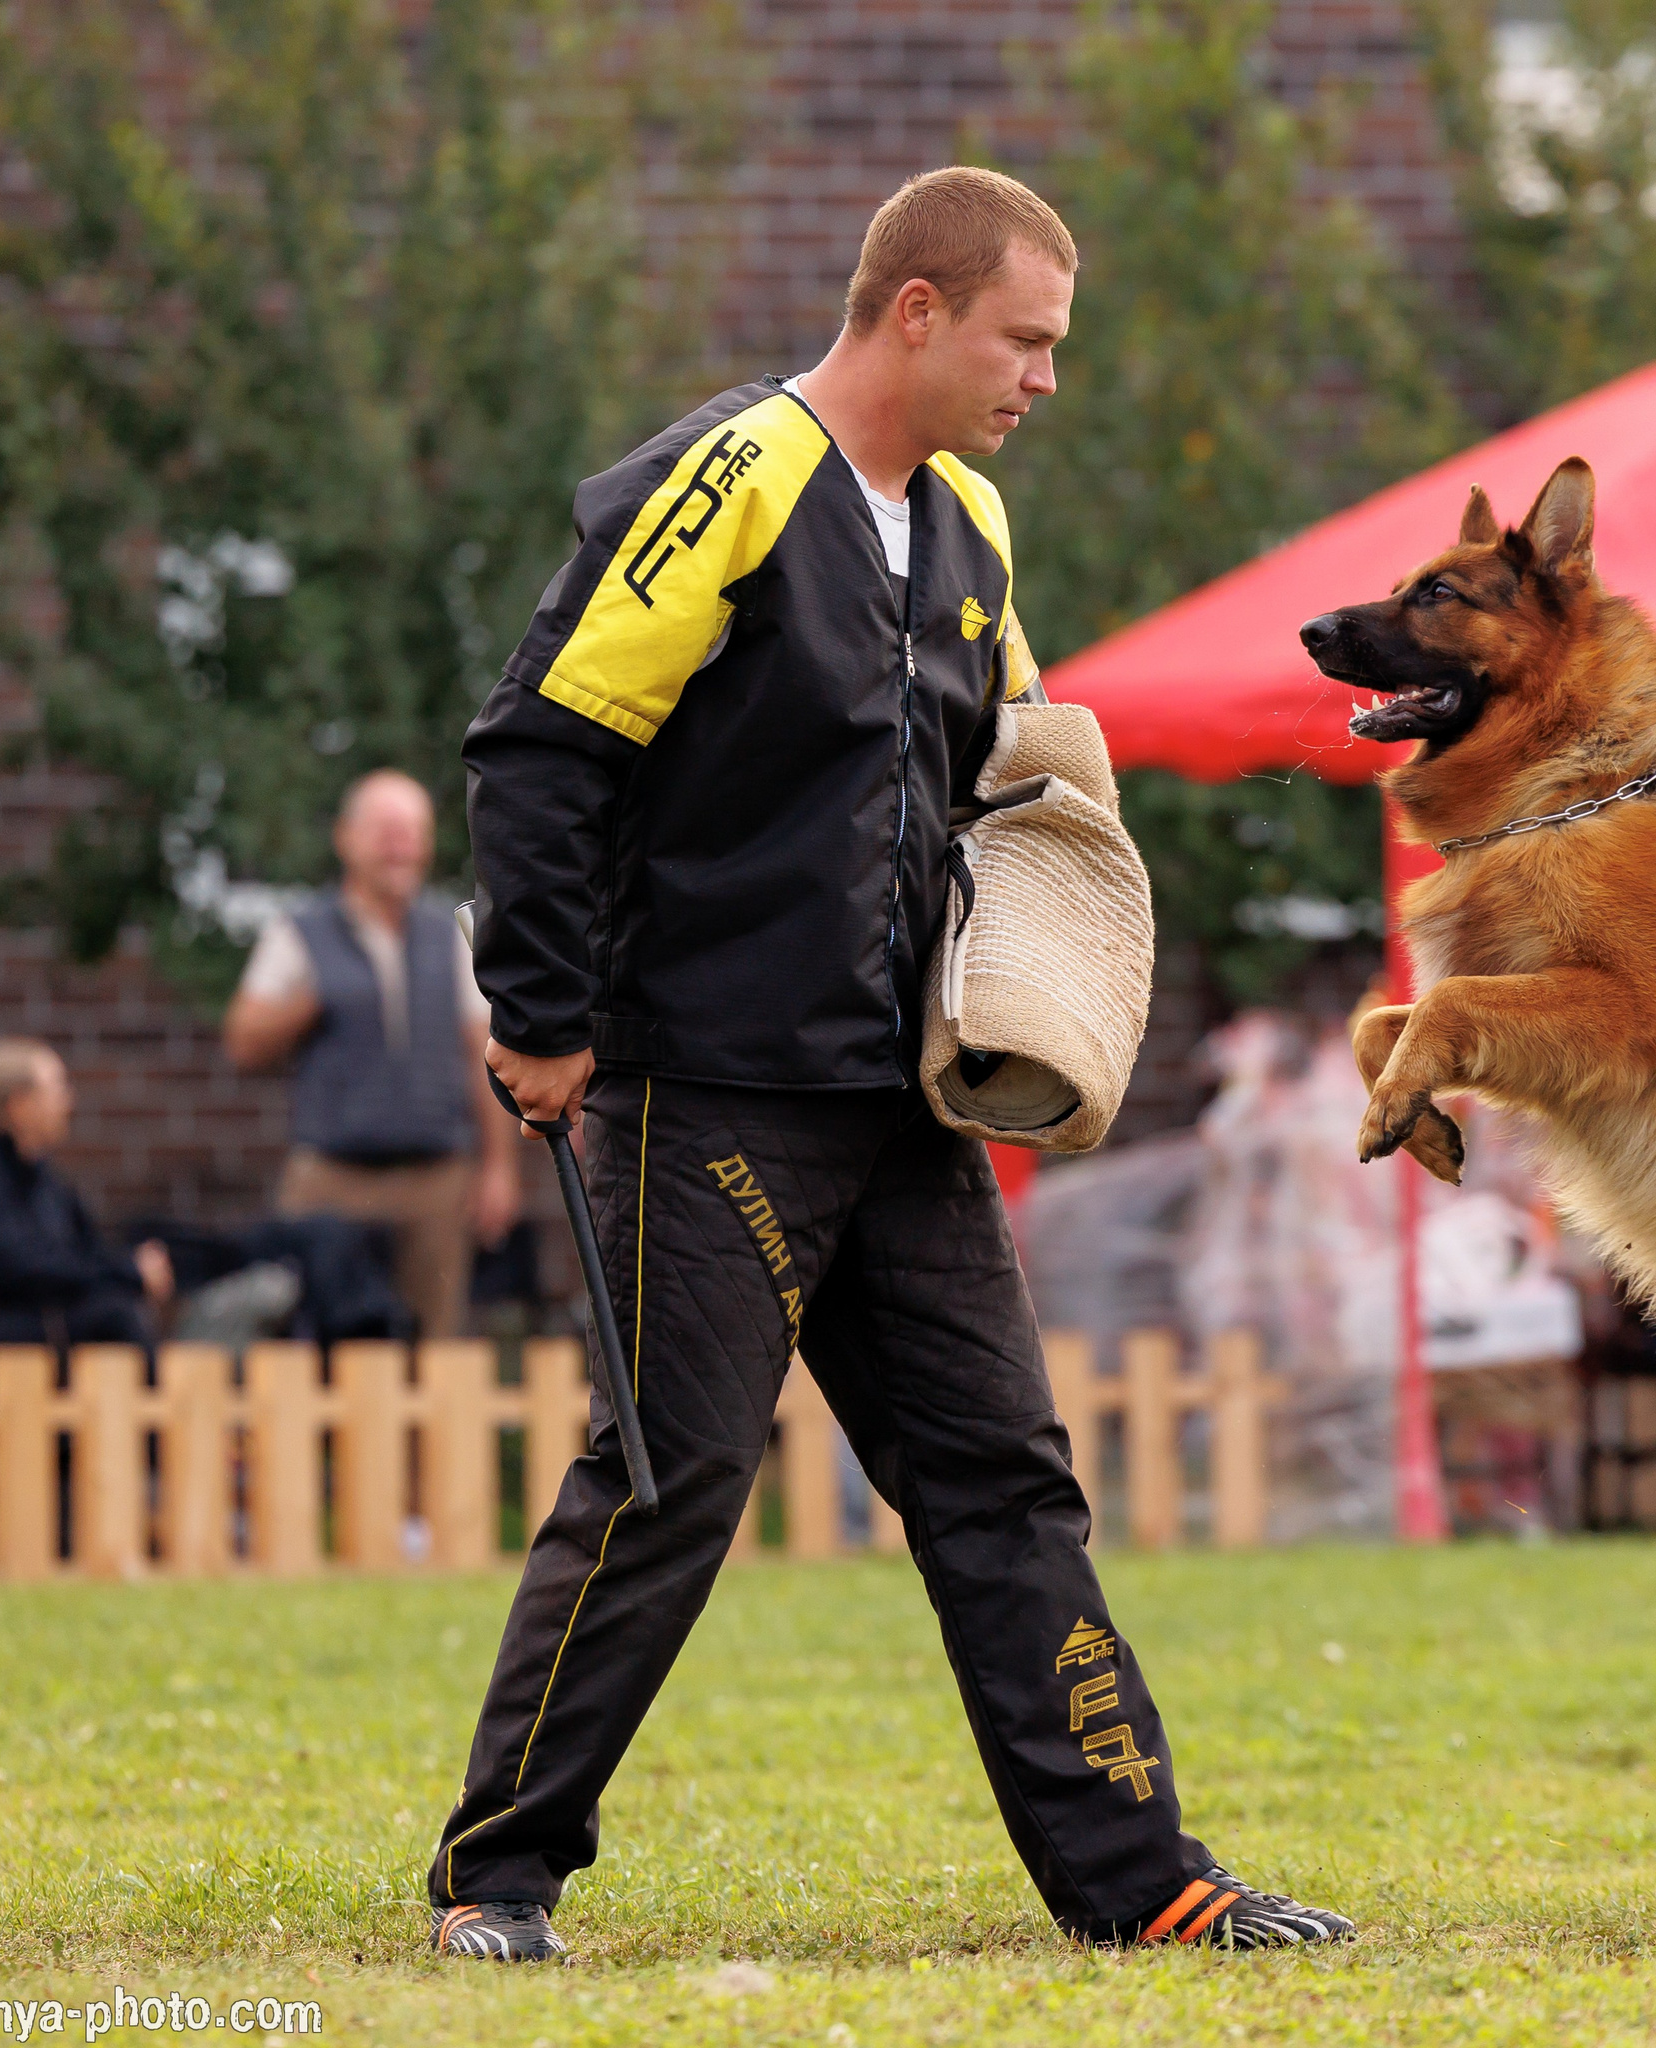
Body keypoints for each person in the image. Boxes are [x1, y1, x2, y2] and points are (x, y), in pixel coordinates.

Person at [427, 167, 1352, 1962]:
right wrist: (541, 1014)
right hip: (707, 1088)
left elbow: (1015, 769)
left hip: (908, 1106)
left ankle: (1145, 1882)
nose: (1046, 379)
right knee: (673, 1482)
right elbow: (539, 749)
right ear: (915, 311)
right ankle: (499, 1873)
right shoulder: (729, 481)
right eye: (1026, 340)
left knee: (1006, 1477)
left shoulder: (974, 525)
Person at [223, 769, 520, 1340]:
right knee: (313, 1342)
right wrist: (312, 1002)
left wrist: (499, 1168)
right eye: (385, 831)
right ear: (346, 838)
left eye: (411, 831)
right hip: (331, 1176)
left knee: (435, 1347)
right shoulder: (300, 932)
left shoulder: (453, 934)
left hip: (436, 1179)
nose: (399, 846)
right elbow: (243, 1040)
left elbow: (482, 1054)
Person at [0, 1038, 173, 1389]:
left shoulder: (42, 1180)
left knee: (114, 1310)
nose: (68, 1102)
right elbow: (18, 1269)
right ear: (19, 1104)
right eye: (58, 1088)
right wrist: (127, 1274)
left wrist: (131, 1269)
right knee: (111, 1317)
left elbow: (83, 1252)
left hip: (16, 1336)